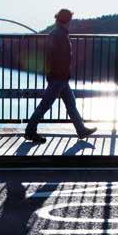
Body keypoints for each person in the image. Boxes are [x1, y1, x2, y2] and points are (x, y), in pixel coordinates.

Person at [24, 8, 96, 144]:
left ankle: (81, 130)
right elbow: (58, 58)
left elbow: (51, 57)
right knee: (45, 105)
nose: (71, 22)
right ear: (66, 20)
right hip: (59, 77)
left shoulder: (57, 33)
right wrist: (59, 75)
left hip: (60, 77)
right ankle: (30, 131)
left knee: (71, 104)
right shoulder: (59, 35)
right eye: (70, 20)